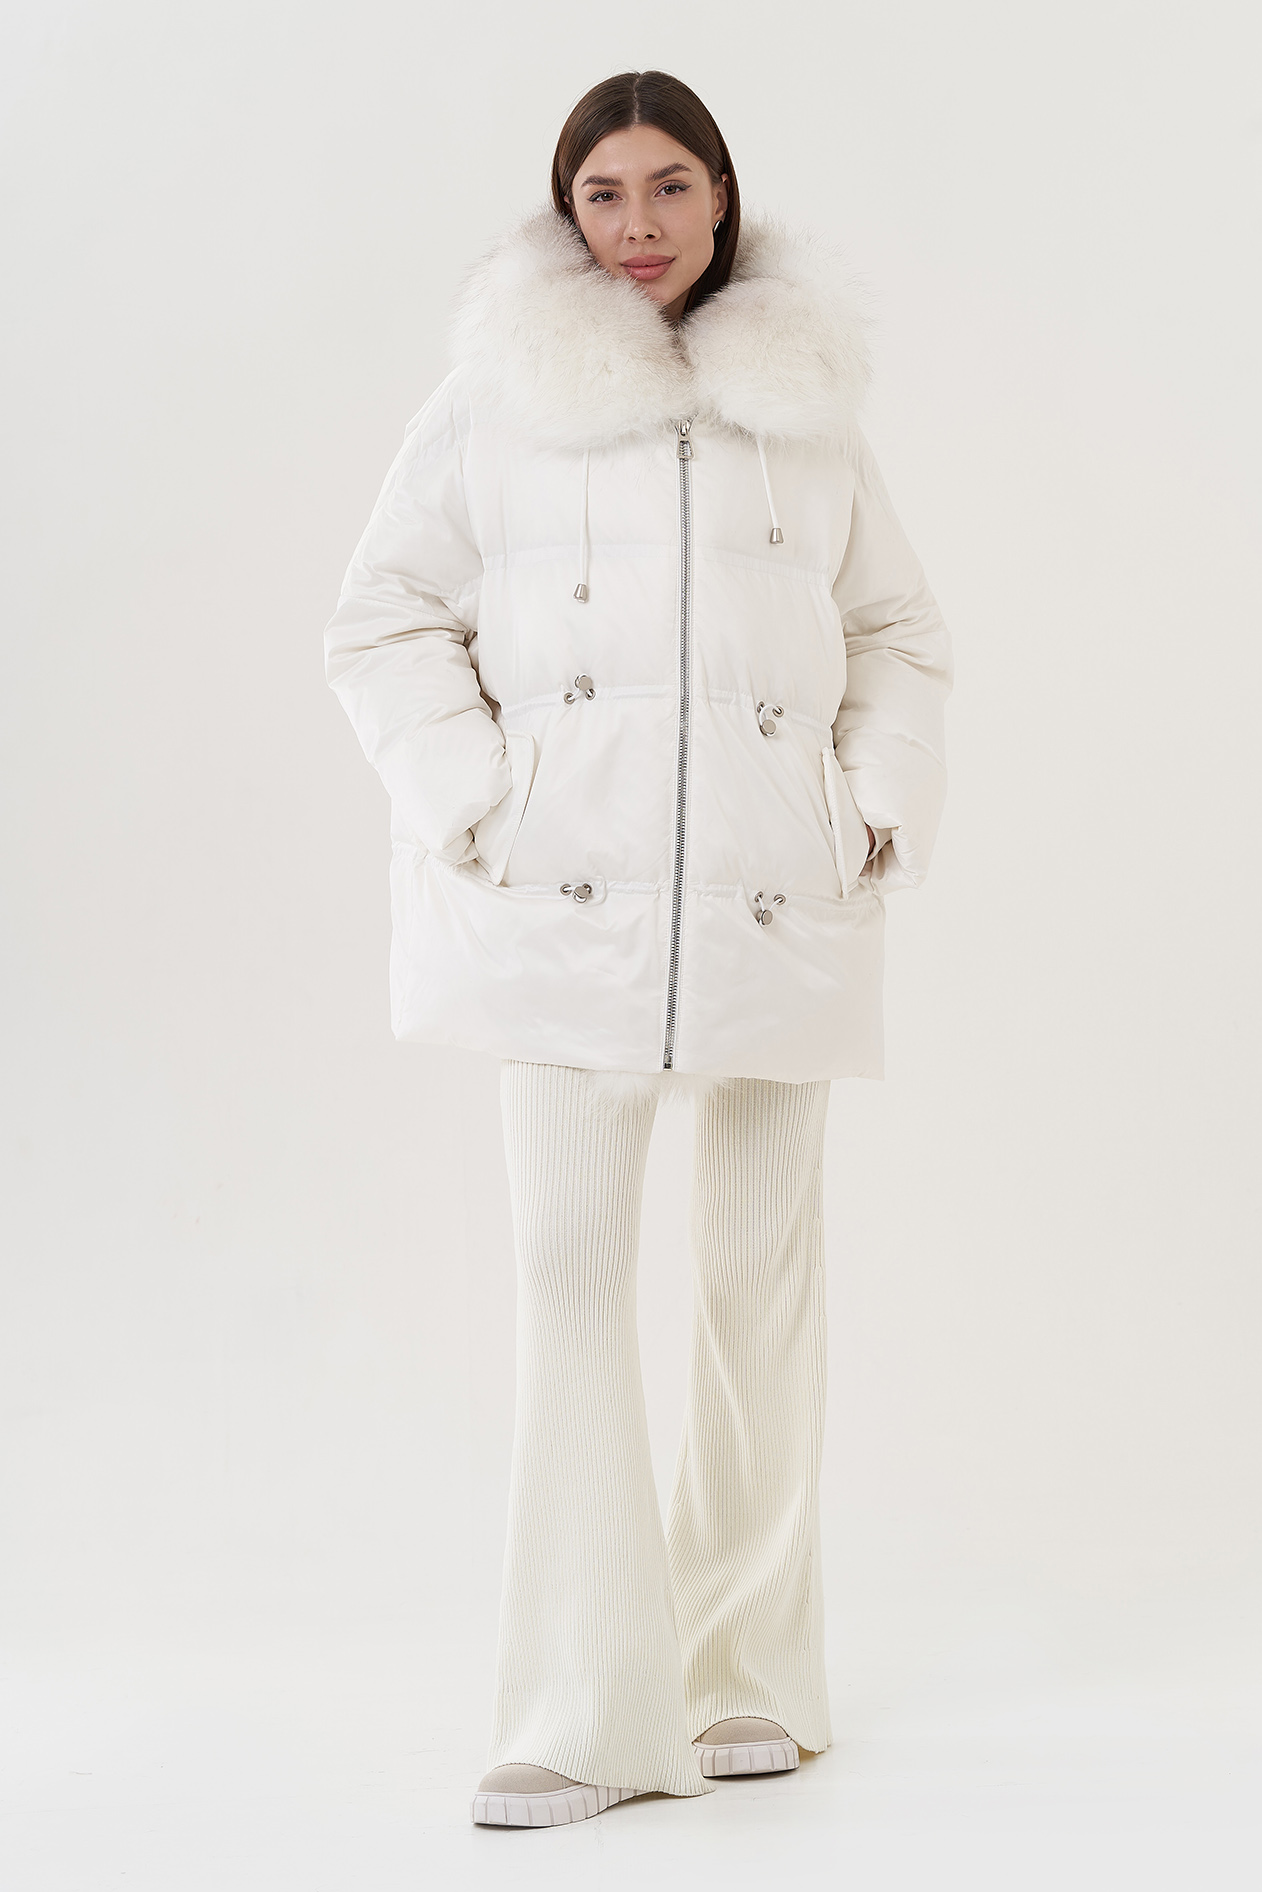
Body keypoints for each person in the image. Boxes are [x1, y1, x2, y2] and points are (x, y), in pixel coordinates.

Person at [325, 69, 951, 1829]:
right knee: (568, 1280)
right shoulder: (494, 397)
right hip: (558, 911)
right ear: (567, 210)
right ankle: (585, 1709)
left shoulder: (805, 408)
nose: (639, 224)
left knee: (759, 1285)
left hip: (772, 904)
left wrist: (868, 806)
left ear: (722, 196)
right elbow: (379, 616)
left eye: (670, 184)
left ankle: (748, 1671)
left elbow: (899, 629)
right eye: (603, 193)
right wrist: (472, 795)